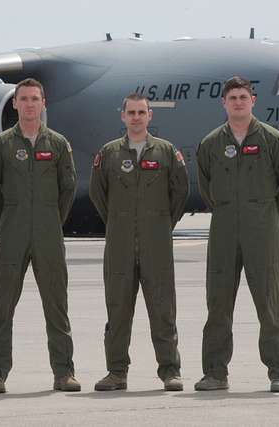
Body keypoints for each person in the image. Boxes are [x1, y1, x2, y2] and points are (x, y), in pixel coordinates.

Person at [195, 76, 279, 393]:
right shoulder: (211, 144)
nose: (238, 102)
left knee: (270, 303)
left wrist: (267, 215)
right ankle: (215, 372)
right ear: (223, 103)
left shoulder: (272, 140)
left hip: (262, 229)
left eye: (243, 96)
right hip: (224, 228)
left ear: (253, 100)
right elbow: (206, 186)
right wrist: (229, 210)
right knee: (218, 303)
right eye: (232, 98)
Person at [0, 78, 80, 393]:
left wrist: (50, 219)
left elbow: (68, 190)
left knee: (57, 305)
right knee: (2, 306)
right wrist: (9, 221)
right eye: (23, 99)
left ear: (43, 103)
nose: (29, 104)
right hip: (12, 232)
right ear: (15, 103)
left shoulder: (58, 144)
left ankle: (63, 373)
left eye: (35, 99)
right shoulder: (0, 146)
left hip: (49, 232)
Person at [89, 93, 189, 391]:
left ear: (149, 116)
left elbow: (179, 193)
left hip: (156, 245)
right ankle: (116, 372)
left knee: (163, 310)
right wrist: (119, 222)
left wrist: (158, 224)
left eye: (141, 112)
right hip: (118, 246)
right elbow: (98, 194)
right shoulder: (109, 154)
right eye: (130, 112)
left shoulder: (166, 152)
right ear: (122, 116)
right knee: (117, 310)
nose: (136, 117)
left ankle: (170, 370)